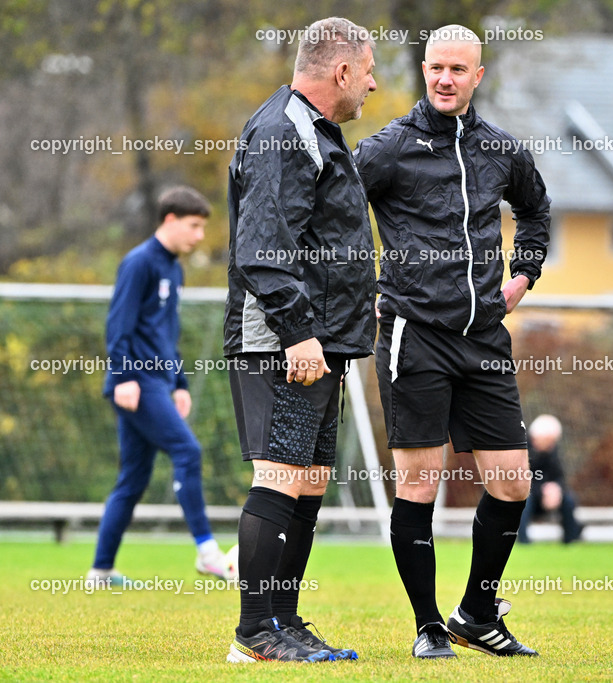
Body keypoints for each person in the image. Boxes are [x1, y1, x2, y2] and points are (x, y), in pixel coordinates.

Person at [355, 24, 550, 660]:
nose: (445, 78)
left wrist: (523, 275)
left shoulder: (501, 149)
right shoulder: (388, 148)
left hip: (484, 338)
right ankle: (428, 626)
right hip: (413, 334)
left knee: (513, 482)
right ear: (424, 69)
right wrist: (364, 287)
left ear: (477, 76)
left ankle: (477, 614)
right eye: (436, 67)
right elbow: (334, 213)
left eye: (458, 69)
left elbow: (536, 212)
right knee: (419, 485)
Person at [222, 16, 377, 664]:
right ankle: (254, 632)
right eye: (368, 72)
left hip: (320, 342)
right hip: (283, 341)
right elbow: (263, 249)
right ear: (341, 71)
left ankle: (283, 621)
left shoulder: (315, 131)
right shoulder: (282, 132)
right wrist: (297, 333)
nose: (372, 85)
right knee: (280, 474)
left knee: (309, 480)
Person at [87, 186, 230, 588]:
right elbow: (118, 325)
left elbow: (166, 334)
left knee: (133, 479)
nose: (200, 236)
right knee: (187, 450)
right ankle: (207, 554)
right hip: (137, 381)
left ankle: (100, 571)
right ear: (170, 220)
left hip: (158, 382)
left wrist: (179, 383)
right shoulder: (139, 262)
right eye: (194, 226)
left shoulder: (174, 269)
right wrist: (123, 377)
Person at [519, 415, 582, 544]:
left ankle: (571, 539)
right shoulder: (520, 448)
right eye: (549, 440)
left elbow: (559, 476)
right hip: (529, 493)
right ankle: (523, 540)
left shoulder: (552, 451)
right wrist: (542, 491)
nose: (552, 444)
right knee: (524, 501)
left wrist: (556, 489)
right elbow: (519, 479)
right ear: (537, 437)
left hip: (548, 495)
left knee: (569, 499)